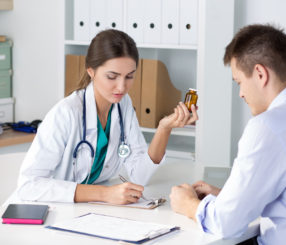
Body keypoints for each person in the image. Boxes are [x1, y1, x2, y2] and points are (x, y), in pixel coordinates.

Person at [169, 24, 286, 244]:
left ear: (260, 74)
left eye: (239, 82)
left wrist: (188, 204)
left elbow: (225, 224)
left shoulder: (268, 126)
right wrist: (229, 195)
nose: (241, 93)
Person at [15, 29, 198, 204]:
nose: (121, 87)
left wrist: (164, 128)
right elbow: (28, 185)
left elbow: (140, 176)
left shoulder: (122, 105)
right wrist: (105, 194)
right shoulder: (66, 114)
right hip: (56, 210)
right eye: (112, 76)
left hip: (91, 211)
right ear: (91, 71)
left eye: (129, 76)